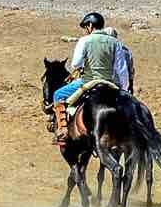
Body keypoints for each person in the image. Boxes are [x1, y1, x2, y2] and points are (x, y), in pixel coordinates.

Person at [50, 12, 128, 142]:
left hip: (88, 81)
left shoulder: (85, 40)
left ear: (90, 25)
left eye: (86, 27)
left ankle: (63, 131)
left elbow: (76, 63)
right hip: (109, 82)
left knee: (58, 95)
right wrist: (122, 89)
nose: (86, 30)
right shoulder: (115, 43)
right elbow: (121, 70)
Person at [101, 26, 135, 94]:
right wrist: (131, 85)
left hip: (105, 82)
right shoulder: (126, 51)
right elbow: (130, 70)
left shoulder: (102, 49)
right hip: (121, 85)